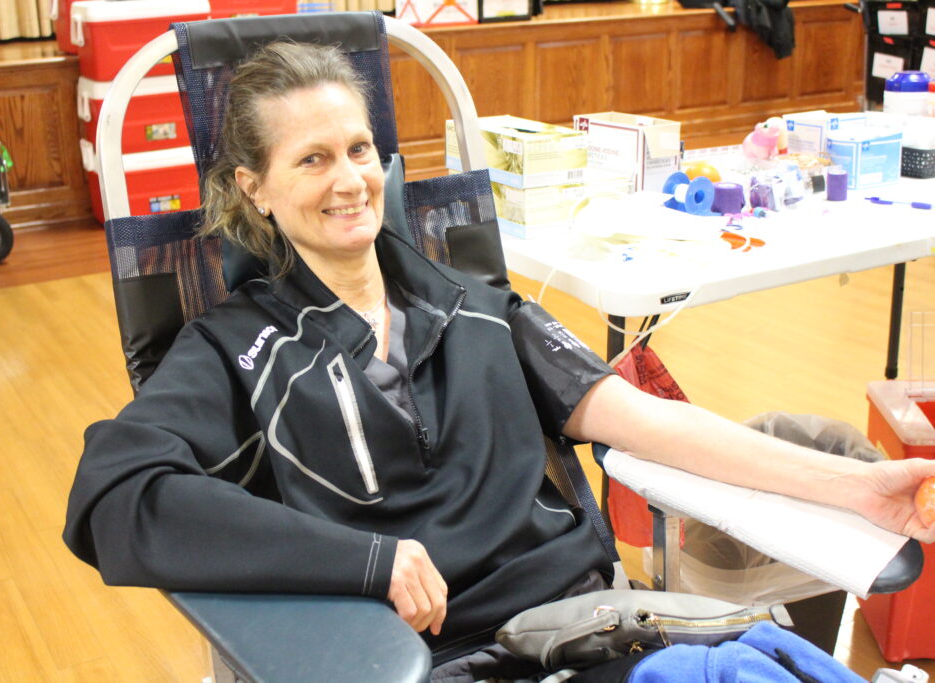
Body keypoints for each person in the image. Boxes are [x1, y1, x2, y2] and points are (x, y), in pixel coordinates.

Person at [63, 41, 935, 681]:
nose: (350, 180)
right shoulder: (233, 345)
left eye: (360, 150)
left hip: (599, 633)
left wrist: (856, 486)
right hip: (430, 662)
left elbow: (653, 423)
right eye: (312, 159)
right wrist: (364, 561)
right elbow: (115, 497)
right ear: (252, 185)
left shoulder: (476, 304)